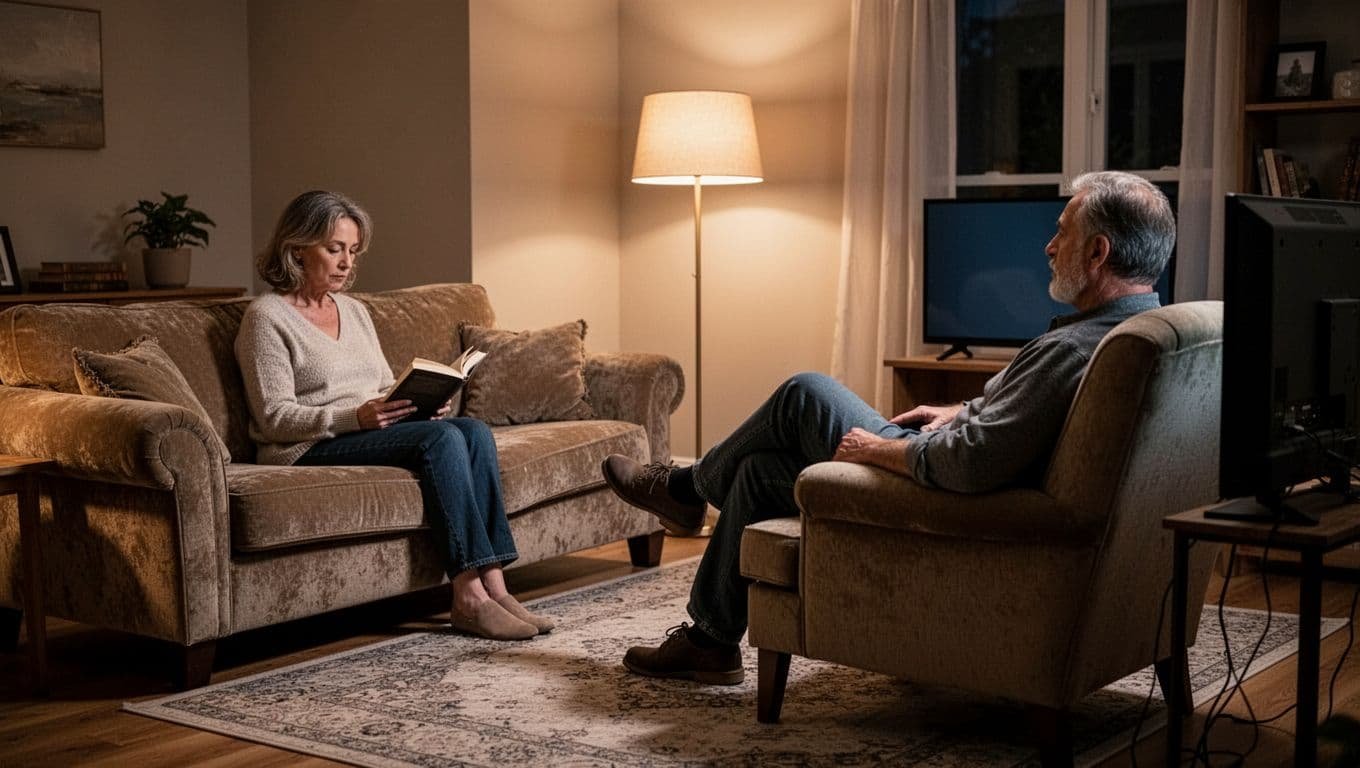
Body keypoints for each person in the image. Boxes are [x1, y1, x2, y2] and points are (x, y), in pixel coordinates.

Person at [601, 170, 1176, 684]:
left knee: (804, 393)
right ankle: (709, 643)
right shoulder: (1142, 334)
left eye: (1063, 234)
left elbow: (972, 463)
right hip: (968, 460)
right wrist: (959, 410)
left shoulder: (1076, 348)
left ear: (1098, 251)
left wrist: (878, 451)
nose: (1050, 247)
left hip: (949, 487)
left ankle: (685, 490)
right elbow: (1026, 423)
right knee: (757, 471)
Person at [235, 190, 551, 641]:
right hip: (306, 446)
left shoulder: (356, 311)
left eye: (352, 250)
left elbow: (384, 384)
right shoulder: (266, 318)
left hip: (370, 427)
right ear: (297, 248)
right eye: (334, 249)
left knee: (471, 430)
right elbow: (273, 418)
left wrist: (420, 403)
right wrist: (355, 417)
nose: (346, 262)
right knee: (440, 441)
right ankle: (468, 598)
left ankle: (497, 587)